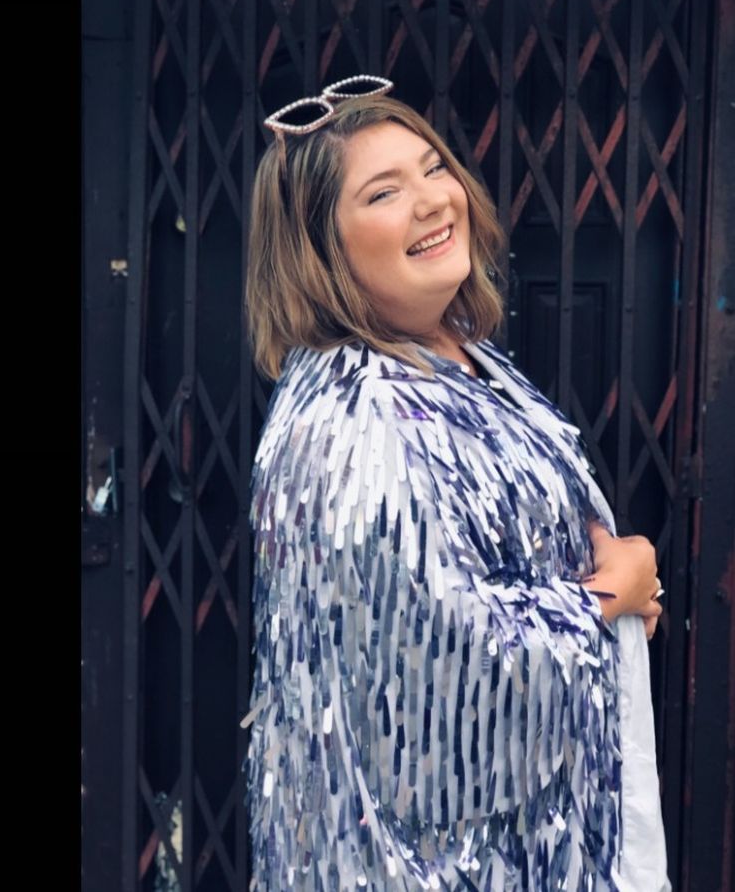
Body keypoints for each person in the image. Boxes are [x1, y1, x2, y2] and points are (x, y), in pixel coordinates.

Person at [240, 75, 670, 891]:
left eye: (434, 168)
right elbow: (432, 688)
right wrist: (606, 599)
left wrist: (604, 566)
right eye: (383, 193)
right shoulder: (351, 421)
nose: (434, 201)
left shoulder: (458, 354)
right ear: (320, 248)